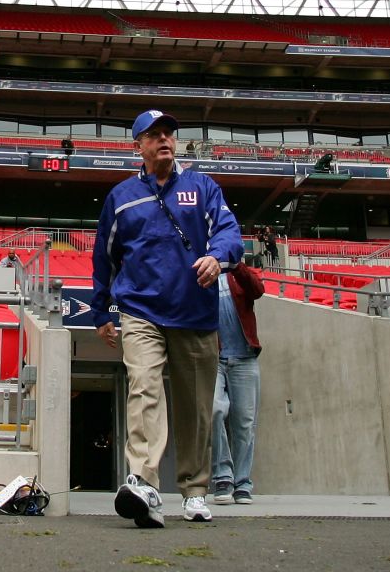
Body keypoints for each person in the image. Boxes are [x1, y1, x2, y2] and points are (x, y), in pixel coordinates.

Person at [92, 109, 243, 528]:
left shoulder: (203, 186)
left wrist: (218, 256)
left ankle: (194, 491)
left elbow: (230, 232)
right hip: (140, 310)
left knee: (196, 407)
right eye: (154, 134)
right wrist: (102, 308)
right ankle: (143, 481)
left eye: (169, 134)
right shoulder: (121, 197)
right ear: (137, 145)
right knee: (143, 389)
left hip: (194, 313)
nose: (165, 140)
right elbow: (104, 255)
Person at [210, 261, 264, 506]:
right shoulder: (203, 274)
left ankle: (242, 482)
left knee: (244, 423)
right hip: (214, 358)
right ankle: (223, 476)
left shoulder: (237, 274)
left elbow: (257, 289)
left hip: (244, 358)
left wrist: (236, 266)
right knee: (214, 411)